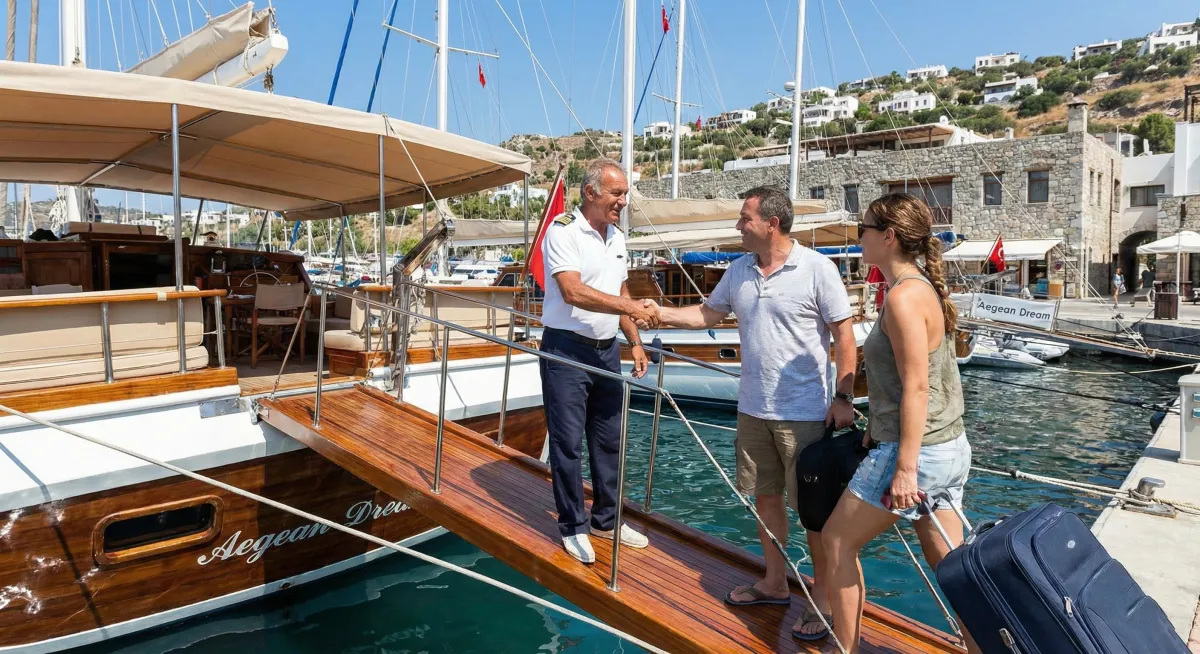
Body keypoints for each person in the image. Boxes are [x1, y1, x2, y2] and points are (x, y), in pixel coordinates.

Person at [642, 185, 857, 640]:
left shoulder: (817, 269)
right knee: (764, 499)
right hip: (752, 408)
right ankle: (776, 582)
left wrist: (843, 396)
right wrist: (658, 312)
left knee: (814, 515)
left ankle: (821, 598)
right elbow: (705, 316)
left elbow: (844, 335)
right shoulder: (739, 270)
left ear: (771, 224)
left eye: (745, 219)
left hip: (805, 414)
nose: (738, 227)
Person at [821, 193, 976, 653]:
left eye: (863, 231)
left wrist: (905, 467)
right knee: (951, 564)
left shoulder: (906, 297)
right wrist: (876, 426)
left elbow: (917, 388)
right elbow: (917, 380)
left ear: (888, 237)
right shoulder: (916, 289)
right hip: (947, 448)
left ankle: (843, 649)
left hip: (917, 455)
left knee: (836, 541)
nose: (858, 239)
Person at [539, 158, 658, 564]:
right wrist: (630, 305)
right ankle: (573, 525)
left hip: (607, 350)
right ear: (590, 193)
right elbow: (572, 291)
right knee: (568, 444)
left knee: (609, 441)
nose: (624, 201)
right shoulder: (563, 233)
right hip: (566, 351)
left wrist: (635, 342)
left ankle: (607, 520)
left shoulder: (617, 237)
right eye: (617, 193)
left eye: (624, 193)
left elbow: (617, 288)